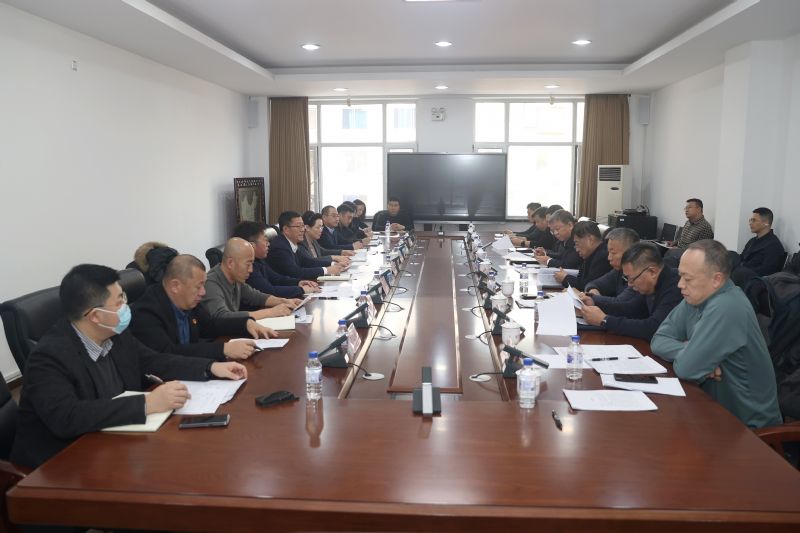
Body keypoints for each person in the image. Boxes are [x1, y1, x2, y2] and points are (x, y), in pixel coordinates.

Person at [10, 264, 248, 469]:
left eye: (124, 297)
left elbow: (154, 360)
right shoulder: (49, 356)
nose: (127, 306)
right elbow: (67, 417)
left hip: (115, 440)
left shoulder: (115, 334)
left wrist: (211, 367)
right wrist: (147, 404)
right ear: (95, 316)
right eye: (119, 302)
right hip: (60, 465)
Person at [651, 240, 782, 429]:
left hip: (747, 428)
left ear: (716, 280)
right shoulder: (695, 297)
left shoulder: (727, 306)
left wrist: (694, 357)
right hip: (710, 408)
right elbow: (658, 340)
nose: (680, 285)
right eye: (680, 276)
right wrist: (691, 351)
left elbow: (686, 368)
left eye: (688, 279)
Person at [131, 254, 278, 362]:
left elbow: (210, 325)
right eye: (198, 286)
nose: (203, 292)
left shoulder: (187, 300)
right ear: (175, 285)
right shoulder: (146, 312)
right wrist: (224, 349)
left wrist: (246, 323)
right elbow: (167, 352)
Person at [581, 242, 682, 341]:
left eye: (632, 279)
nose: (629, 284)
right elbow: (631, 309)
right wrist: (594, 302)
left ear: (652, 272)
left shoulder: (676, 287)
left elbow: (653, 328)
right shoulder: (651, 284)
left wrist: (605, 320)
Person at [201, 237, 300, 322]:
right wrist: (270, 312)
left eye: (252, 264)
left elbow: (256, 296)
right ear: (230, 263)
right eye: (248, 264)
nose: (251, 270)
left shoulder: (235, 278)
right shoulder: (211, 283)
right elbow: (222, 317)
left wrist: (285, 301)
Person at [232, 220, 319, 298]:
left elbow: (277, 279)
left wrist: (299, 282)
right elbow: (269, 291)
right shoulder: (247, 268)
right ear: (251, 245)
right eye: (265, 240)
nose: (268, 244)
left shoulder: (259, 260)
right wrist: (301, 290)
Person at [267, 210, 346, 280]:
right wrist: (326, 270)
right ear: (286, 229)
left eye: (302, 226)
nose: (302, 229)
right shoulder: (280, 247)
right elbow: (295, 272)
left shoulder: (292, 243)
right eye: (298, 226)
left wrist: (333, 264)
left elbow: (308, 262)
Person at [583, 227, 640, 299]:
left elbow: (622, 303)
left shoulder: (639, 275)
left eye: (613, 253)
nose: (609, 258)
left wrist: (594, 298)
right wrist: (592, 291)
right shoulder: (618, 271)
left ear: (629, 252)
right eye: (609, 252)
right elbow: (592, 284)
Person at [555, 220, 611, 290]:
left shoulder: (603, 257)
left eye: (577, 243)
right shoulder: (590, 254)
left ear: (590, 239)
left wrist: (565, 278)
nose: (576, 250)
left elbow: (587, 286)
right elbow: (581, 279)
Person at [740, 207, 785, 276]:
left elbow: (767, 270)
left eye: (754, 220)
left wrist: (743, 271)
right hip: (742, 273)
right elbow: (742, 258)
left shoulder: (773, 245)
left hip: (755, 279)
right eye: (750, 220)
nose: (750, 223)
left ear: (766, 223)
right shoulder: (752, 241)